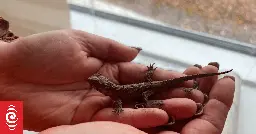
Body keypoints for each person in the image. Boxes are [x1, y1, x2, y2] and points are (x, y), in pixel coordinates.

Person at [0, 28, 235, 134]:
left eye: (96, 82)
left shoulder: (111, 92)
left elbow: (8, 120)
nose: (93, 82)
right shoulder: (110, 92)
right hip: (141, 89)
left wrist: (7, 65)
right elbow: (8, 123)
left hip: (144, 90)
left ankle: (192, 82)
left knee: (163, 91)